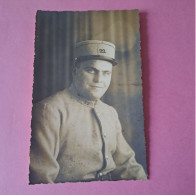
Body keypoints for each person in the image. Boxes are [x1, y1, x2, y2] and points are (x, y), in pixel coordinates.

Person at [29, 40, 147, 184]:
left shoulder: (110, 112)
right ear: (75, 71)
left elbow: (127, 165)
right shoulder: (50, 110)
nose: (99, 80)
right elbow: (42, 178)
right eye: (91, 70)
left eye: (106, 73)